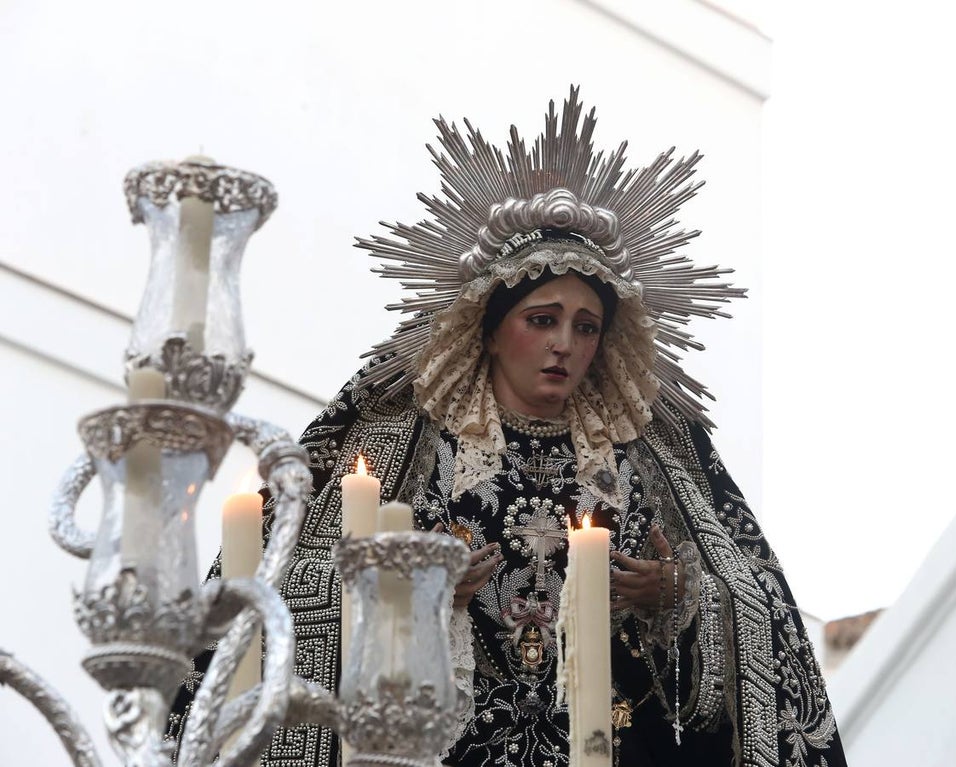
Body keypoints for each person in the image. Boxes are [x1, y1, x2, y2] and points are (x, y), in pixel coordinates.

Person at [168, 87, 847, 767]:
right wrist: (411, 594)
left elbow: (757, 618)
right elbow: (286, 588)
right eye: (542, 319)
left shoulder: (651, 458)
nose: (565, 345)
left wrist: (675, 597)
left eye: (586, 327)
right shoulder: (393, 440)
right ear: (490, 331)